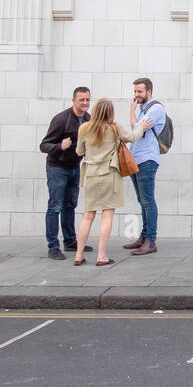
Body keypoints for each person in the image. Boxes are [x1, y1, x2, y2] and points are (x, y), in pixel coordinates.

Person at [74, 99, 151, 265]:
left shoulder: (84, 128)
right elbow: (132, 138)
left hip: (92, 176)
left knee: (88, 216)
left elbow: (79, 151)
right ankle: (101, 256)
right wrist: (142, 127)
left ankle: (78, 255)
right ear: (110, 112)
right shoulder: (114, 128)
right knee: (107, 216)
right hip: (110, 175)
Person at [39, 87, 91, 259]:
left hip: (75, 168)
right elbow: (44, 145)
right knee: (55, 206)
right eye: (81, 100)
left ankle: (70, 242)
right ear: (73, 100)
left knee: (70, 205)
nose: (85, 103)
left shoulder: (87, 118)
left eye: (87, 100)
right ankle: (53, 246)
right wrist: (59, 146)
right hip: (57, 169)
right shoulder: (61, 119)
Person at [126, 77, 166, 255]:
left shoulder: (155, 109)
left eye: (139, 92)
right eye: (135, 92)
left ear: (149, 91)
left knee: (148, 200)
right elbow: (136, 128)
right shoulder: (142, 110)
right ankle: (144, 236)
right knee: (142, 200)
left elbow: (136, 130)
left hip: (147, 160)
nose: (136, 95)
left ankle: (151, 240)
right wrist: (134, 111)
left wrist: (131, 111)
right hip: (136, 159)